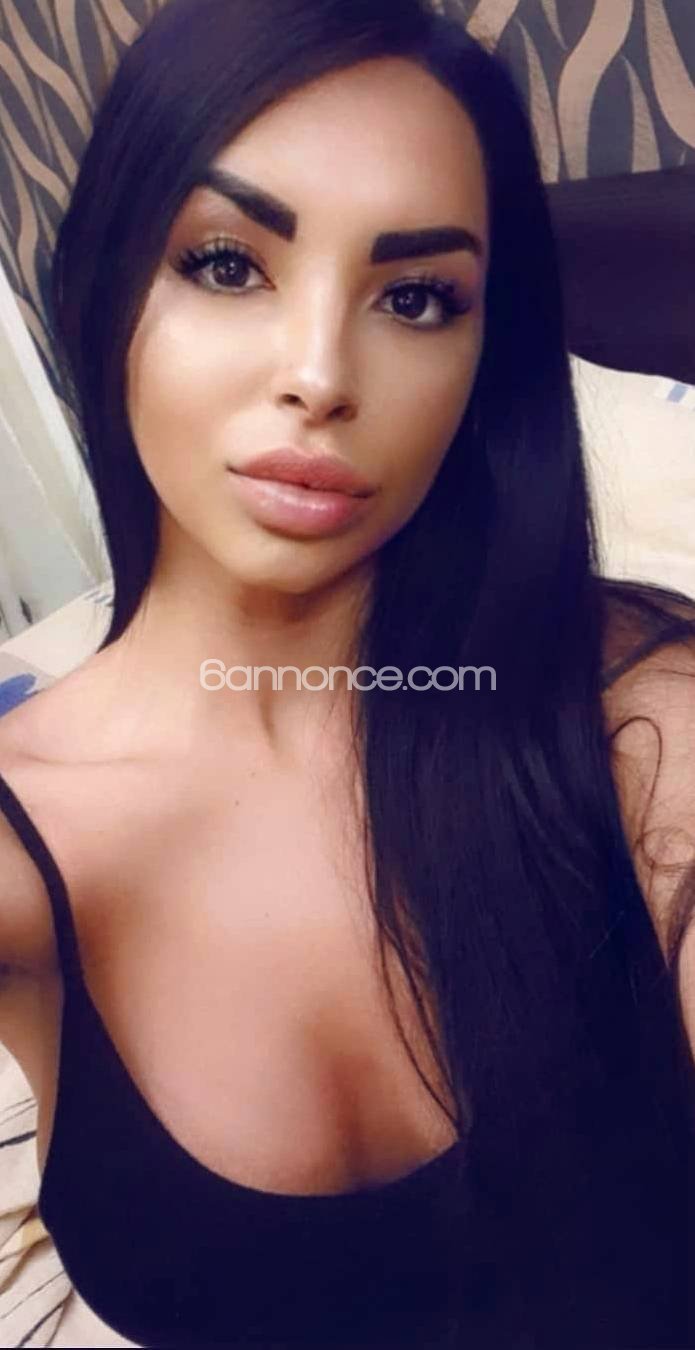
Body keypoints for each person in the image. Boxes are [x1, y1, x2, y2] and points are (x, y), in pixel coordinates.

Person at [0, 0, 693, 1345]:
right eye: (226, 264)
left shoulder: (638, 711)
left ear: (483, 359)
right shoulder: (31, 840)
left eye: (415, 298)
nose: (319, 374)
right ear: (104, 287)